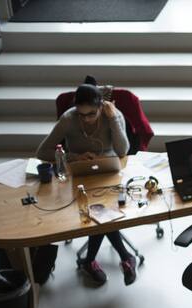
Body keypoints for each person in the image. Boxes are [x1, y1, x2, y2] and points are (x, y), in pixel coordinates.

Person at [36, 79, 137, 286]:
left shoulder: (112, 116)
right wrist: (72, 157)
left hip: (108, 171)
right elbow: (42, 152)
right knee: (100, 212)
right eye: (82, 114)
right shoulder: (68, 119)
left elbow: (123, 151)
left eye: (92, 113)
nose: (87, 119)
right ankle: (124, 257)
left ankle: (90, 260)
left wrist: (114, 119)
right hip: (80, 174)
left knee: (100, 211)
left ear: (101, 106)